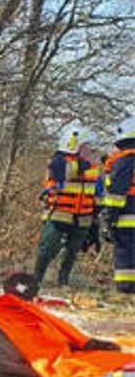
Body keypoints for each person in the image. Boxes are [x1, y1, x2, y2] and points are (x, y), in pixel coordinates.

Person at [35, 129, 101, 288]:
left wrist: (95, 219)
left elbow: (96, 193)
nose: (90, 150)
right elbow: (61, 172)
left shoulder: (93, 167)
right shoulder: (58, 160)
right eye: (86, 146)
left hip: (83, 217)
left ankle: (63, 281)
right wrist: (86, 163)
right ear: (75, 146)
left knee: (73, 251)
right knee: (48, 248)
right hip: (59, 214)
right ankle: (36, 279)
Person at [102, 116, 135, 295]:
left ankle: (126, 289)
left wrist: (110, 219)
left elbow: (117, 193)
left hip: (127, 216)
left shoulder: (123, 161)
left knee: (125, 251)